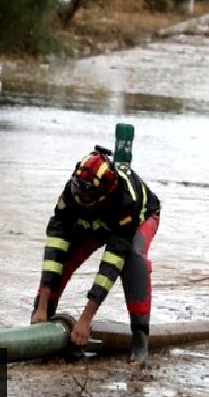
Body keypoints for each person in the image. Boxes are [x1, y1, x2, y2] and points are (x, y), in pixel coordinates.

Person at [30, 146, 161, 363]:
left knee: (132, 259)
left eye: (86, 194)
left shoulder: (125, 201)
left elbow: (110, 266)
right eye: (77, 190)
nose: (79, 196)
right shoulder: (73, 192)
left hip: (136, 219)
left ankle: (140, 342)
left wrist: (84, 320)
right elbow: (55, 250)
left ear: (103, 194)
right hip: (94, 221)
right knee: (63, 262)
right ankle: (40, 322)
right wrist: (42, 307)